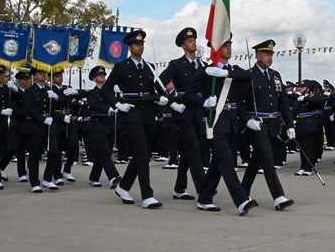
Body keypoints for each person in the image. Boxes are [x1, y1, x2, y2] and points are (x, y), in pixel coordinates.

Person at [102, 29, 167, 209]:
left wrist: (164, 100)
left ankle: (123, 187)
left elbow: (157, 90)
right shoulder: (122, 67)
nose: (140, 46)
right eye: (137, 44)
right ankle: (147, 196)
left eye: (142, 43)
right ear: (130, 47)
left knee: (142, 153)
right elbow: (106, 90)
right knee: (143, 153)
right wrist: (117, 104)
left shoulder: (149, 67)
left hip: (148, 114)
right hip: (131, 113)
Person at [196, 37, 258, 215]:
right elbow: (190, 95)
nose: (230, 48)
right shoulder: (205, 71)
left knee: (218, 162)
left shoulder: (233, 70)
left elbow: (249, 76)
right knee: (226, 161)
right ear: (215, 49)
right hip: (214, 123)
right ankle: (241, 200)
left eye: (231, 45)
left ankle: (204, 198)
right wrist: (204, 102)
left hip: (231, 123)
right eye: (225, 45)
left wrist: (225, 74)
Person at [240, 39, 295, 210]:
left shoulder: (276, 75)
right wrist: (247, 120)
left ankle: (242, 192)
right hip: (257, 124)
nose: (269, 57)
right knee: (268, 158)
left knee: (257, 159)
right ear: (256, 55)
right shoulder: (248, 75)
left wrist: (290, 125)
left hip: (273, 125)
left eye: (271, 54)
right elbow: (238, 101)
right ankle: (278, 197)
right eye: (265, 54)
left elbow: (283, 102)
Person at [159, 27, 207, 200]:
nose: (193, 42)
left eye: (194, 39)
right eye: (189, 40)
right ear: (182, 45)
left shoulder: (202, 65)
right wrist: (173, 102)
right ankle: (204, 189)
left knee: (187, 152)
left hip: (198, 112)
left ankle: (179, 188)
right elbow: (162, 80)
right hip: (184, 112)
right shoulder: (176, 64)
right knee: (194, 149)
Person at [78, 66, 121, 188]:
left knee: (100, 153)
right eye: (100, 75)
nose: (103, 77)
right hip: (97, 125)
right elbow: (95, 104)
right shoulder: (92, 93)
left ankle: (93, 178)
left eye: (103, 75)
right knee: (105, 151)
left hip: (109, 124)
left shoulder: (110, 91)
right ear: (94, 78)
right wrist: (108, 108)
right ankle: (113, 177)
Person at [22, 66, 61, 193]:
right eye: (40, 73)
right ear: (34, 76)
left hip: (49, 126)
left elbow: (62, 103)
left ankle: (47, 179)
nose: (43, 75)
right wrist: (42, 119)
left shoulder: (50, 90)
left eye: (44, 73)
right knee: (35, 155)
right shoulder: (29, 91)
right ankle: (34, 183)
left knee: (54, 152)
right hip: (35, 126)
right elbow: (29, 109)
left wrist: (56, 97)